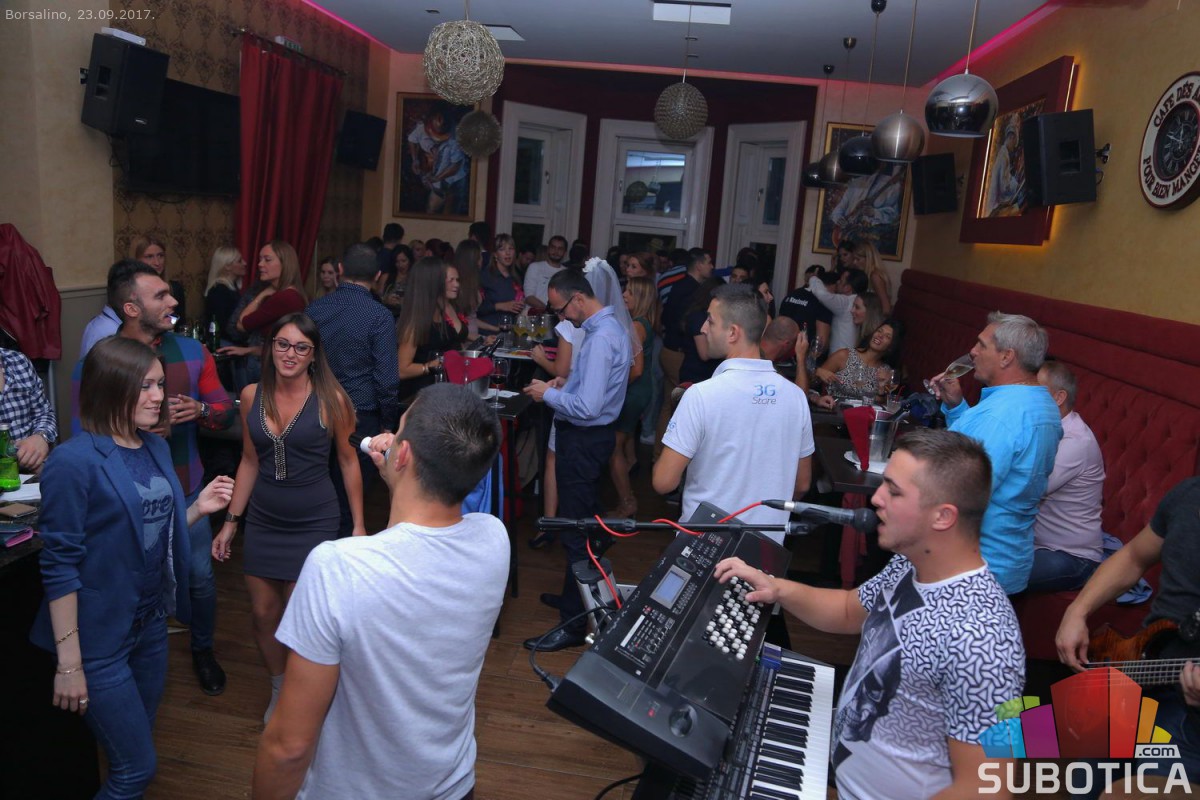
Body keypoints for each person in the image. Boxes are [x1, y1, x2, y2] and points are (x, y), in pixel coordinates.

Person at [715, 428, 1025, 800]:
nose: (876, 498)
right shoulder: (910, 564)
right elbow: (849, 610)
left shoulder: (988, 640)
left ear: (943, 516)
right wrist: (776, 587)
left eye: (893, 491)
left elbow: (991, 789)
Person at [253, 384, 507, 800]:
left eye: (400, 429)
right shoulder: (494, 539)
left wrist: (399, 476)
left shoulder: (338, 568)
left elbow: (289, 747)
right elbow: (417, 538)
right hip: (452, 786)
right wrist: (402, 475)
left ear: (402, 454)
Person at [33, 336, 233, 798]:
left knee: (134, 746)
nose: (159, 396)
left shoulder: (154, 447)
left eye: (160, 384)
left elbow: (149, 534)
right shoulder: (73, 462)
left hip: (149, 626)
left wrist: (196, 509)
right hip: (98, 639)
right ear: (111, 387)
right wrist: (69, 664)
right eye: (145, 386)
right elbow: (59, 566)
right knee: (135, 770)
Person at [72, 263, 236, 694]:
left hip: (186, 487)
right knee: (131, 580)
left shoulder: (192, 352)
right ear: (131, 308)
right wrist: (132, 430)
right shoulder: (99, 362)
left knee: (198, 577)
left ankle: (202, 649)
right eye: (161, 295)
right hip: (122, 499)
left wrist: (200, 411)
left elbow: (226, 412)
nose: (174, 301)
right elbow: (81, 433)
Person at [212, 313, 364, 724]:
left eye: (301, 347)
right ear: (270, 348)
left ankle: (304, 696)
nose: (290, 353)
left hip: (315, 519)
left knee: (302, 616)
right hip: (264, 518)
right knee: (263, 612)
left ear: (314, 355)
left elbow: (349, 462)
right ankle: (280, 686)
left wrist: (358, 525)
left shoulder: (332, 400)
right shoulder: (251, 395)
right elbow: (249, 460)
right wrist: (231, 521)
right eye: (282, 344)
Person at [1056, 477, 1200, 792]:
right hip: (1139, 668)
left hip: (1189, 716)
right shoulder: (1189, 494)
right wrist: (1077, 611)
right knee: (1087, 787)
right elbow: (1135, 555)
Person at [523, 267, 633, 652]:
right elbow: (591, 390)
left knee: (575, 531)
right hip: (590, 439)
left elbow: (588, 407)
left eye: (560, 309)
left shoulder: (602, 338)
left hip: (584, 440)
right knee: (583, 520)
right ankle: (577, 592)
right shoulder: (607, 329)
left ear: (579, 298)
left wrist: (547, 394)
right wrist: (565, 384)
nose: (562, 316)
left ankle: (572, 624)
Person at [654, 282, 813, 543]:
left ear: (732, 332)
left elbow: (663, 481)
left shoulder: (700, 395)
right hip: (765, 545)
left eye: (710, 321)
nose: (703, 328)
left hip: (705, 543)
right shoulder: (796, 397)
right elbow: (802, 483)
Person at [931, 311, 1062, 594]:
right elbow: (985, 453)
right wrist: (957, 408)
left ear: (1006, 357)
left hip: (971, 569)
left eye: (982, 345)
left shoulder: (1001, 414)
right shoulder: (1041, 402)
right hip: (1009, 560)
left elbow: (960, 491)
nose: (972, 351)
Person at [306, 243, 400, 533]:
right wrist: (388, 424)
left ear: (340, 270)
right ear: (378, 275)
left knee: (316, 489)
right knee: (350, 497)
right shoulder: (380, 316)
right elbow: (386, 378)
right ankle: (342, 550)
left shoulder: (314, 309)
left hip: (316, 410)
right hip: (362, 418)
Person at [1027, 361, 1104, 592]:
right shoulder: (1040, 427)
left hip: (1073, 557)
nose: (1027, 396)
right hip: (1035, 544)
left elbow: (1027, 489)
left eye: (1035, 390)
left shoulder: (1075, 442)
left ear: (1059, 397)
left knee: (996, 571)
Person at [655, 249, 715, 456]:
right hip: (679, 353)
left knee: (669, 404)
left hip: (669, 349)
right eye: (709, 262)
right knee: (681, 407)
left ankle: (659, 455)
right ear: (699, 265)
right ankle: (672, 456)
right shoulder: (693, 291)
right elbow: (684, 324)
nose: (712, 266)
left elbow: (664, 317)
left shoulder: (679, 285)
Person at [607, 276, 655, 517]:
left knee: (613, 446)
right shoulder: (641, 322)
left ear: (642, 298)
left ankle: (627, 503)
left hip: (633, 391)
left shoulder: (637, 325)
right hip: (639, 390)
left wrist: (611, 389)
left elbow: (635, 370)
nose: (624, 295)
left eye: (630, 292)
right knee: (621, 442)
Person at [396, 257, 469, 396]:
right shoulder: (415, 322)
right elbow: (401, 370)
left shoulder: (443, 310)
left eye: (457, 280)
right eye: (450, 280)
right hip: (421, 394)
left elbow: (457, 339)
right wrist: (429, 366)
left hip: (445, 389)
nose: (456, 285)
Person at [813, 319, 905, 404]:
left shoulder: (885, 370)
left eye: (887, 336)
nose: (880, 336)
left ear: (891, 347)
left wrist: (881, 389)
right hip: (834, 410)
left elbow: (881, 403)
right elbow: (813, 381)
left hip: (864, 414)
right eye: (879, 331)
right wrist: (817, 371)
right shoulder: (844, 356)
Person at [235, 240, 308, 335]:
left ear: (284, 264)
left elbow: (241, 325)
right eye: (260, 259)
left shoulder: (285, 297)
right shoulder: (289, 293)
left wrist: (262, 295)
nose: (260, 264)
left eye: (267, 259)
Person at [809, 267, 868, 353]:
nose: (837, 282)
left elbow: (822, 295)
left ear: (847, 288)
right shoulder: (862, 300)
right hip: (851, 354)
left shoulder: (846, 302)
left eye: (841, 281)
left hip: (840, 356)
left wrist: (813, 278)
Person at [130, 234, 186, 316]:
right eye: (149, 257)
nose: (157, 262)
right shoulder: (127, 290)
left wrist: (167, 320)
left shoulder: (175, 289)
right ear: (136, 260)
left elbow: (178, 321)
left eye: (160, 255)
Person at [477, 234, 525, 329]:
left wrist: (520, 304)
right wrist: (499, 306)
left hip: (509, 331)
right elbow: (474, 311)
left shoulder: (515, 277)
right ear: (495, 254)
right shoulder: (485, 276)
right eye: (502, 249)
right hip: (488, 332)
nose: (508, 253)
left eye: (511, 248)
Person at [204, 246, 245, 336]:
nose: (244, 263)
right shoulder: (219, 291)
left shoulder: (231, 288)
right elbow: (219, 326)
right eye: (239, 261)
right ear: (227, 266)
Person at [523, 235, 567, 312]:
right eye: (553, 247)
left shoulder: (566, 273)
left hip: (557, 317)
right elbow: (529, 296)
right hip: (532, 315)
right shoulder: (535, 267)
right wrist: (548, 311)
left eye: (560, 249)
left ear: (565, 252)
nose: (556, 251)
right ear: (548, 249)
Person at [851, 240, 893, 315]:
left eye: (858, 259)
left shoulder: (875, 276)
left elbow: (885, 304)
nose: (854, 262)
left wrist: (883, 321)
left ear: (868, 258)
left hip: (875, 317)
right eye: (853, 259)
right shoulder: (866, 275)